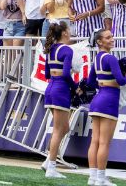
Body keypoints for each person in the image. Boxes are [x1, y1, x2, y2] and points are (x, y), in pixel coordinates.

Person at [86, 28, 126, 186]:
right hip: (109, 101)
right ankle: (101, 178)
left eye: (112, 36)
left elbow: (90, 83)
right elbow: (120, 81)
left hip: (97, 100)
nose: (112, 39)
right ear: (99, 42)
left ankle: (92, 177)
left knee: (95, 141)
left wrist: (104, 81)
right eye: (108, 37)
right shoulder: (110, 58)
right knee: (104, 143)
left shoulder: (96, 59)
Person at [43, 21, 75, 179]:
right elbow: (66, 74)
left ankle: (48, 160)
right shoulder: (67, 50)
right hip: (61, 90)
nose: (71, 31)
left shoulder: (50, 49)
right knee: (57, 129)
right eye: (69, 29)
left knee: (65, 128)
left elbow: (47, 74)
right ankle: (52, 167)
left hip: (50, 89)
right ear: (64, 33)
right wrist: (76, 86)